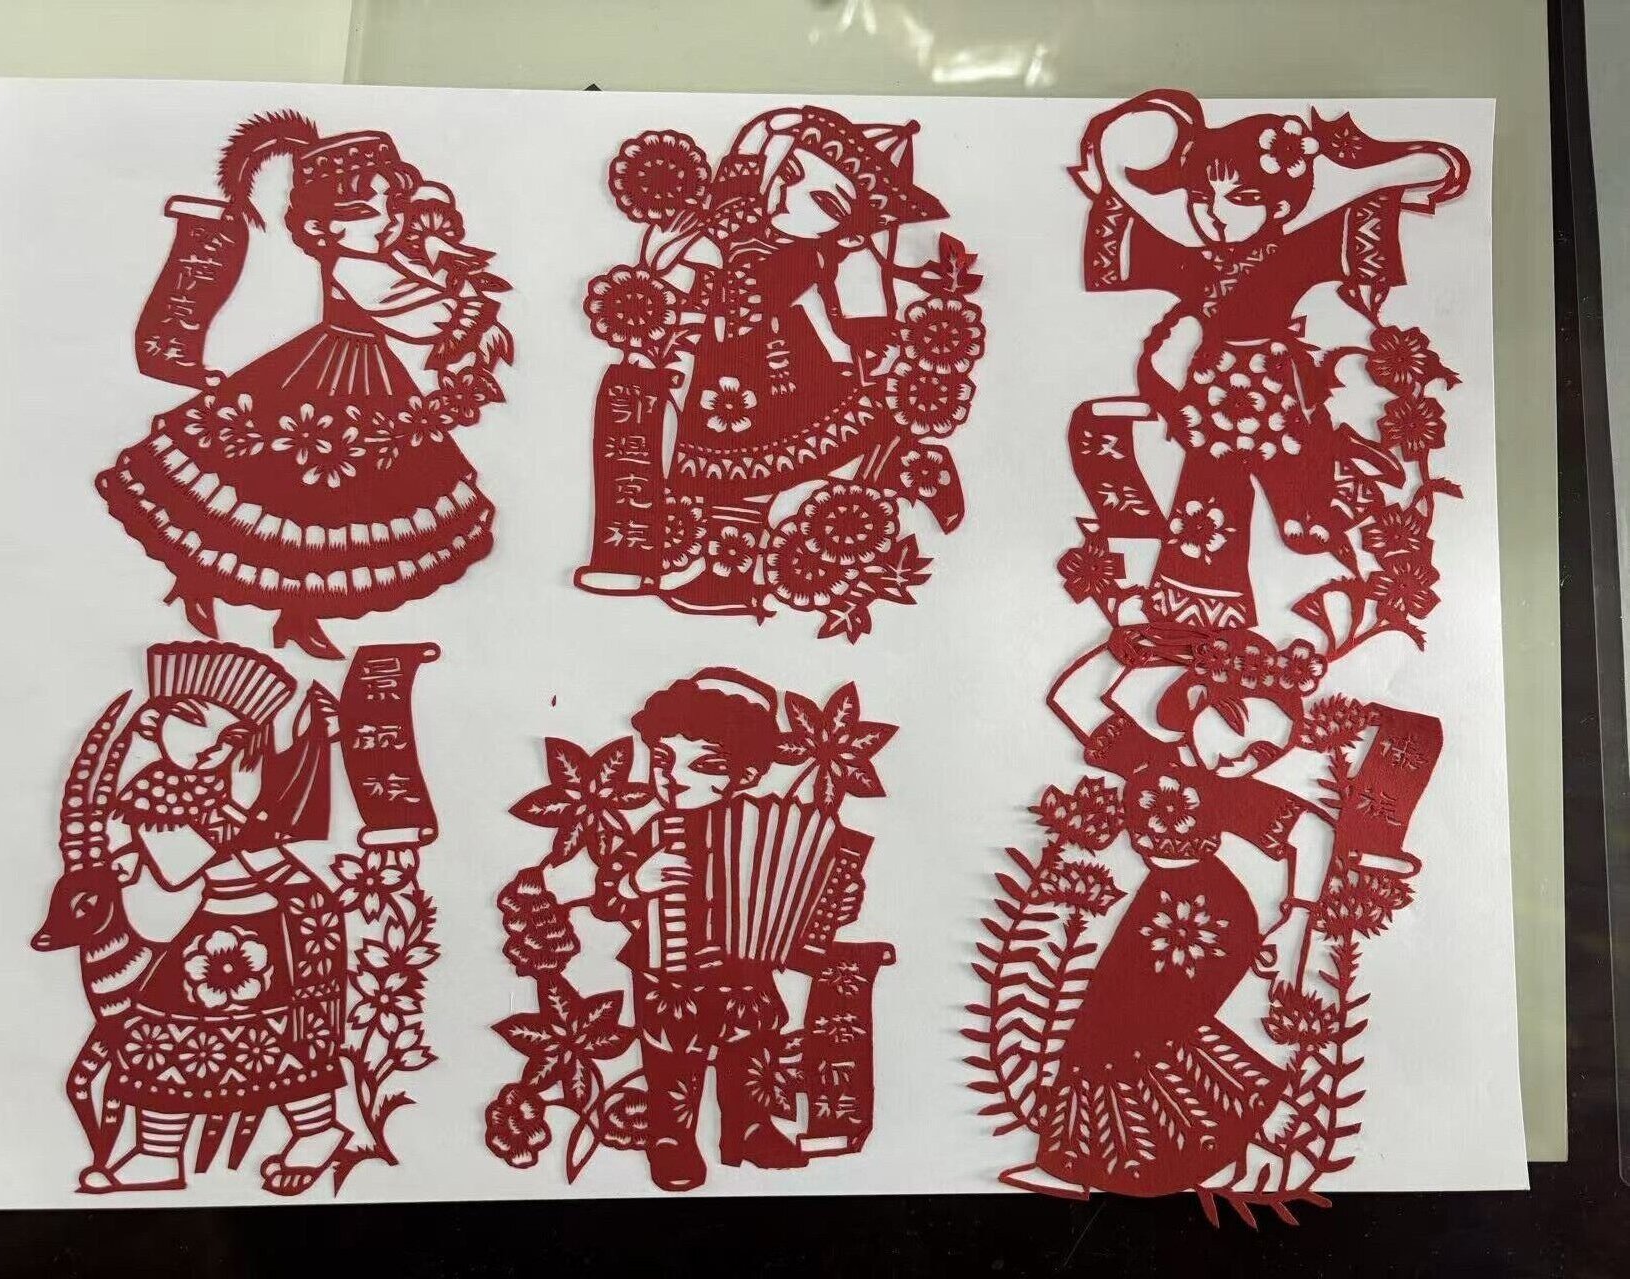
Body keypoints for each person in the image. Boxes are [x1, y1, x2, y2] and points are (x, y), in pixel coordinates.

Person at [100, 112, 511, 658]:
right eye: (364, 212)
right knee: (278, 493)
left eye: (390, 207)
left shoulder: (378, 258)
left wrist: (443, 265)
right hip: (322, 382)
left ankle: (295, 613)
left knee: (329, 511)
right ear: (322, 229)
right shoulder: (355, 266)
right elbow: (414, 313)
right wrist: (464, 306)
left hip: (366, 378)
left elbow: (418, 294)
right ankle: (205, 586)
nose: (385, 223)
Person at [1067, 91, 1468, 629]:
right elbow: (1126, 242)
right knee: (1207, 497)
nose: (1216, 215)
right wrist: (1104, 184)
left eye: (1240, 199)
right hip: (1210, 402)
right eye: (1201, 198)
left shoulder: (1294, 252)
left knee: (1305, 523)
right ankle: (1198, 610)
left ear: (1279, 208)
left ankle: (1340, 474)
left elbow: (1401, 195)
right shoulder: (1193, 262)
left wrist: (1388, 177)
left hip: (1276, 391)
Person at [1002, 624, 1336, 1198]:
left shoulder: (1231, 791)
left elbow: (1311, 829)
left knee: (1121, 1027)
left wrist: (1297, 919)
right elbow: (1073, 698)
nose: (1237, 757)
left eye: (1262, 754)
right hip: (1165, 908)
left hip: (1206, 918)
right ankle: (1145, 1156)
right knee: (1118, 1027)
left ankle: (1080, 1163)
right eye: (1234, 725)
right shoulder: (1147, 760)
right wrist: (1139, 645)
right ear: (1199, 697)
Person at [575, 107, 945, 614]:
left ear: (850, 232)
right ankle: (726, 578)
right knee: (725, 476)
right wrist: (768, 132)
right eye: (790, 173)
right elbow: (733, 187)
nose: (789, 196)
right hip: (723, 382)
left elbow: (751, 289)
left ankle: (901, 464)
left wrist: (700, 246)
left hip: (783, 378)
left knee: (744, 474)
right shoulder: (741, 224)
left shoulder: (806, 256)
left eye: (824, 202)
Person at [82, 641, 349, 1197]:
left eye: (228, 738)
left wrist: (246, 806)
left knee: (289, 1033)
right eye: (193, 721)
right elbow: (177, 869)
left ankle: (316, 1131)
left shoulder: (217, 789)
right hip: (228, 923)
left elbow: (190, 863)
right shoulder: (159, 792)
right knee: (166, 1032)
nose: (209, 747)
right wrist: (235, 815)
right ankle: (158, 1153)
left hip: (279, 917)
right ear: (153, 721)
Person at [592, 668, 809, 1190]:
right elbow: (606, 898)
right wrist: (637, 881)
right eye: (663, 760)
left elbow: (807, 890)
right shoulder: (658, 831)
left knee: (750, 1047)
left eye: (702, 765)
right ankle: (671, 1140)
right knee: (671, 1060)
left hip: (743, 974)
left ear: (746, 775)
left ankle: (749, 1129)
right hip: (666, 971)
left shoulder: (763, 828)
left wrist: (835, 902)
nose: (675, 777)